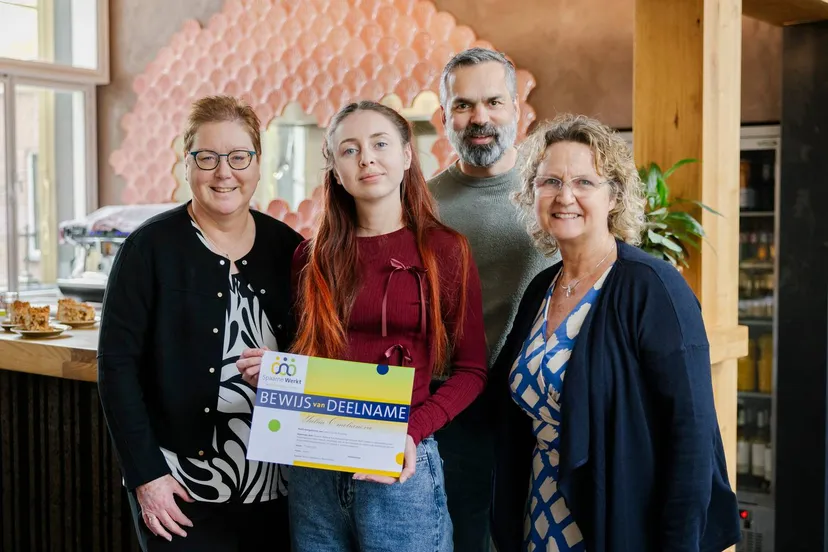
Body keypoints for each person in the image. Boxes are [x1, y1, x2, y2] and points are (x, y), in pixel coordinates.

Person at [236, 100, 487, 552]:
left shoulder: (445, 250)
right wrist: (274, 374)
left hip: (400, 466)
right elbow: (315, 359)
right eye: (349, 150)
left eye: (380, 143)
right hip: (314, 464)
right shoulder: (311, 258)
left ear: (407, 155)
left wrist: (411, 430)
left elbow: (472, 371)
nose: (367, 158)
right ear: (334, 169)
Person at [489, 113, 741, 552]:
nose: (565, 196)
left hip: (620, 523)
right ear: (532, 193)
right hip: (539, 516)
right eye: (549, 181)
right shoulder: (540, 289)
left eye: (584, 182)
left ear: (614, 197)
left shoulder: (653, 287)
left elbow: (692, 435)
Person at [97, 95, 301, 551]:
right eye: (206, 158)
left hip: (280, 484)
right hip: (178, 485)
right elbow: (116, 368)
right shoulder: (148, 249)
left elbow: (318, 352)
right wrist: (145, 475)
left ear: (258, 163)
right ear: (186, 163)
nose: (223, 172)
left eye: (238, 157)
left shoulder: (290, 249)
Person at [427, 47, 551, 551]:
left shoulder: (553, 193)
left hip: (541, 403)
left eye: (494, 102)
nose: (480, 118)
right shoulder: (422, 203)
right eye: (464, 105)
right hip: (454, 406)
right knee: (464, 537)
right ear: (445, 117)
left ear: (517, 109)